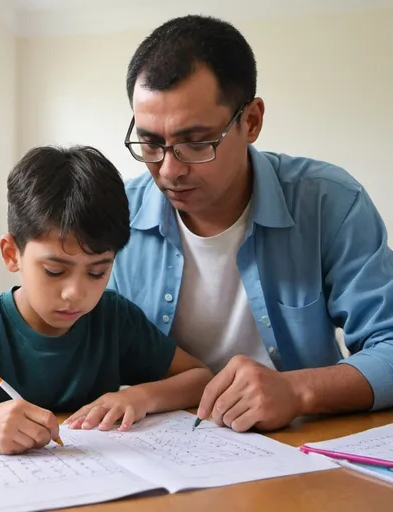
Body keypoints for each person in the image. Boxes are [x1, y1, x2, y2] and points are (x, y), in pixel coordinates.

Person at [109, 14, 393, 433]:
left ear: (252, 121)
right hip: (159, 450)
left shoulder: (329, 202)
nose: (168, 170)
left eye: (196, 142)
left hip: (300, 445)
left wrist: (297, 391)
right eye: (151, 143)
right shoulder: (117, 215)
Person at [0, 145, 212, 454]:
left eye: (97, 273)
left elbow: (199, 377)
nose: (75, 293)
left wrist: (141, 396)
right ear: (12, 254)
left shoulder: (114, 318)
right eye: (55, 271)